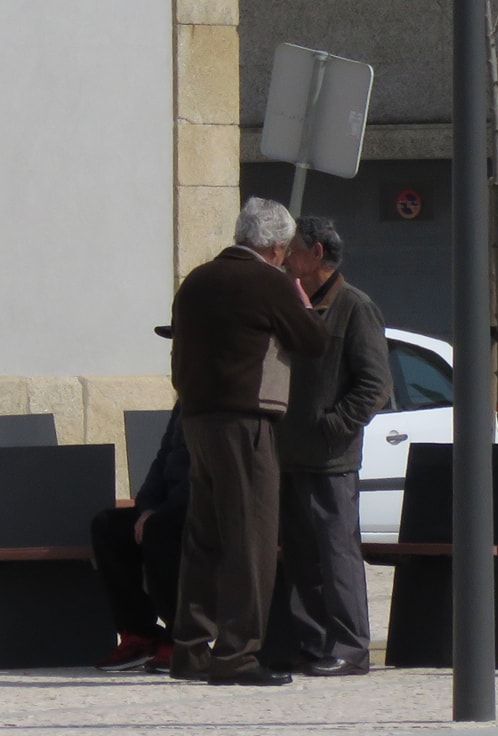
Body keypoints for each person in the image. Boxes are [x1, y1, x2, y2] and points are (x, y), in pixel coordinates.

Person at [166, 197, 327, 686]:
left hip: (196, 418)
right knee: (251, 539)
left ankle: (190, 650)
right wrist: (303, 302)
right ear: (277, 248)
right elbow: (312, 342)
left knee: (204, 537)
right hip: (246, 420)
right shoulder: (268, 282)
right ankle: (237, 656)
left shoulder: (196, 279)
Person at [265, 215, 392, 677]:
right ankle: (313, 643)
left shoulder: (355, 307)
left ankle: (351, 647)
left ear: (316, 253)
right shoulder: (293, 305)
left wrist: (331, 426)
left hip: (330, 457)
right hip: (289, 454)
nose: (285, 259)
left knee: (337, 552)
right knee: (301, 556)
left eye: (292, 249)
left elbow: (375, 385)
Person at [89, 398, 188, 673]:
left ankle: (182, 638)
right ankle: (139, 634)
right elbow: (162, 461)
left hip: (203, 509)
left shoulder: (221, 399)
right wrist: (146, 507)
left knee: (161, 528)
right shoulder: (183, 404)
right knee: (108, 525)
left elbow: (207, 473)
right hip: (167, 509)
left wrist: (161, 511)